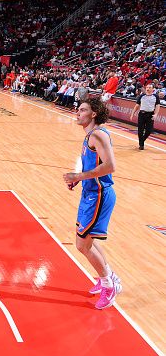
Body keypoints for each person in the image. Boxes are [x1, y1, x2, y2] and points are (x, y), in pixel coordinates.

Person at [63, 98, 122, 309]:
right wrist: (79, 180)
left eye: (82, 110)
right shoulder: (90, 135)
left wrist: (79, 177)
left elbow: (110, 166)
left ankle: (109, 285)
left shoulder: (97, 134)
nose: (77, 113)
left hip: (98, 195)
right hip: (90, 193)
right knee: (89, 239)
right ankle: (109, 277)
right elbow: (94, 165)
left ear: (94, 113)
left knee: (82, 244)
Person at [130, 83, 161, 150]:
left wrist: (156, 114)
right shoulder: (142, 96)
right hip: (142, 114)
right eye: (147, 87)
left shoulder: (156, 97)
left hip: (150, 114)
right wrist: (132, 114)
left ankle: (142, 141)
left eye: (149, 87)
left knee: (149, 131)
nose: (148, 88)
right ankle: (141, 145)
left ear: (153, 89)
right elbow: (137, 106)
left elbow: (157, 106)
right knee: (140, 130)